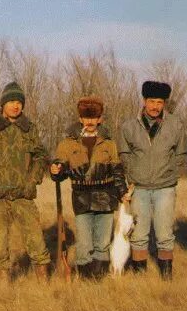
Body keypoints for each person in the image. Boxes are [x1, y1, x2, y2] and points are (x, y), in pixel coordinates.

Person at [0, 81, 50, 282]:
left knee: (37, 242)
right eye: (11, 101)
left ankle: (46, 288)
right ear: (3, 104)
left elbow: (40, 156)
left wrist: (33, 180)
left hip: (23, 195)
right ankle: (2, 290)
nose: (16, 105)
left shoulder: (29, 128)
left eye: (19, 102)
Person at [50, 97, 128, 280]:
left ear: (100, 119)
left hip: (106, 198)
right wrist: (55, 170)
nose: (91, 121)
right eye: (87, 117)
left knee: (102, 243)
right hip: (81, 198)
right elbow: (59, 171)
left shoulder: (109, 143)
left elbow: (117, 171)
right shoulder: (67, 144)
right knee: (84, 244)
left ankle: (98, 280)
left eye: (95, 117)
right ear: (80, 118)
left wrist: (123, 193)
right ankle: (85, 281)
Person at [117, 81, 187, 280]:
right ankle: (140, 279)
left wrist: (170, 173)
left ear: (164, 103)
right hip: (138, 188)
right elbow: (124, 153)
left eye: (159, 102)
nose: (155, 106)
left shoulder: (175, 124)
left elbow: (181, 153)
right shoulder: (129, 126)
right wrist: (133, 174)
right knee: (138, 234)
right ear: (144, 101)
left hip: (165, 188)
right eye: (151, 101)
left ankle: (166, 279)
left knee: (164, 234)